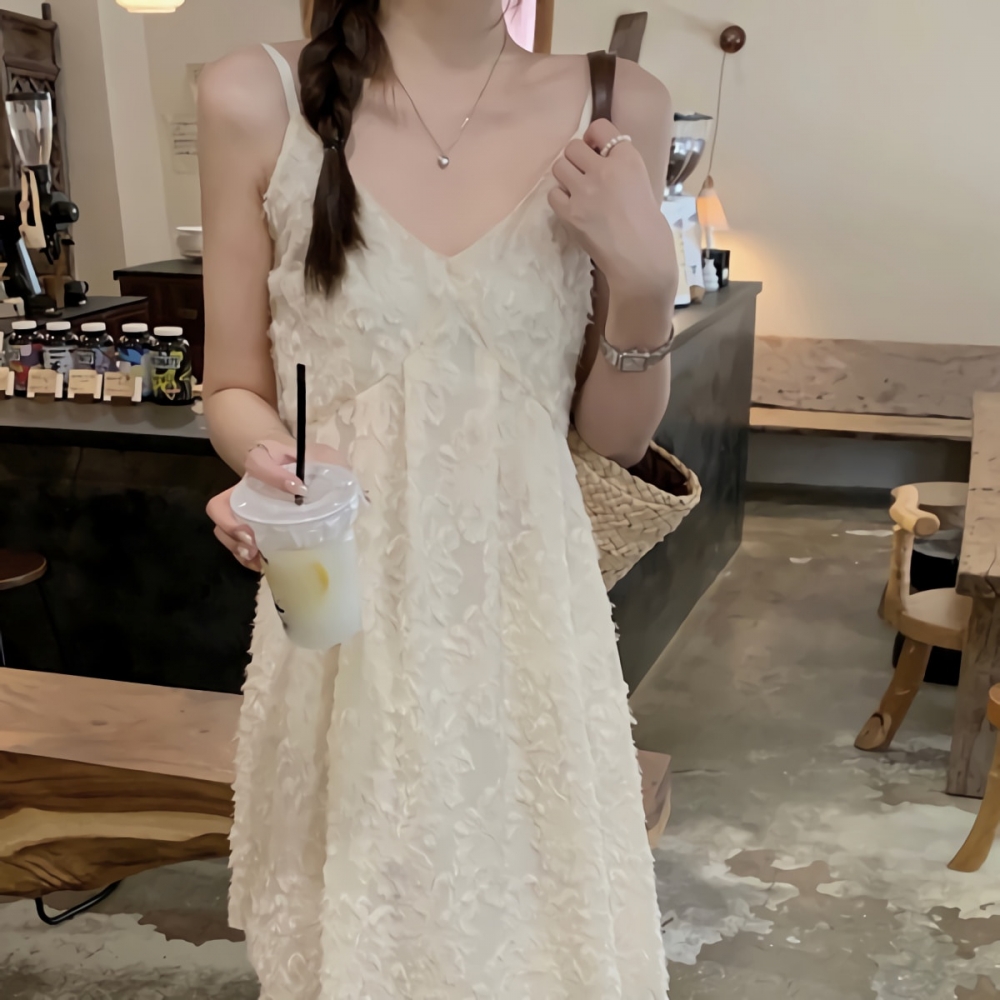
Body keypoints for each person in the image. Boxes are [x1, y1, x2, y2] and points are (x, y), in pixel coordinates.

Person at [199, 0, 678, 995]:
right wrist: (270, 462)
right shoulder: (255, 96)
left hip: (529, 636)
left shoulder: (618, 101)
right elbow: (233, 384)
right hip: (347, 626)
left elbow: (614, 439)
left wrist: (644, 283)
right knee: (362, 944)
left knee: (540, 952)